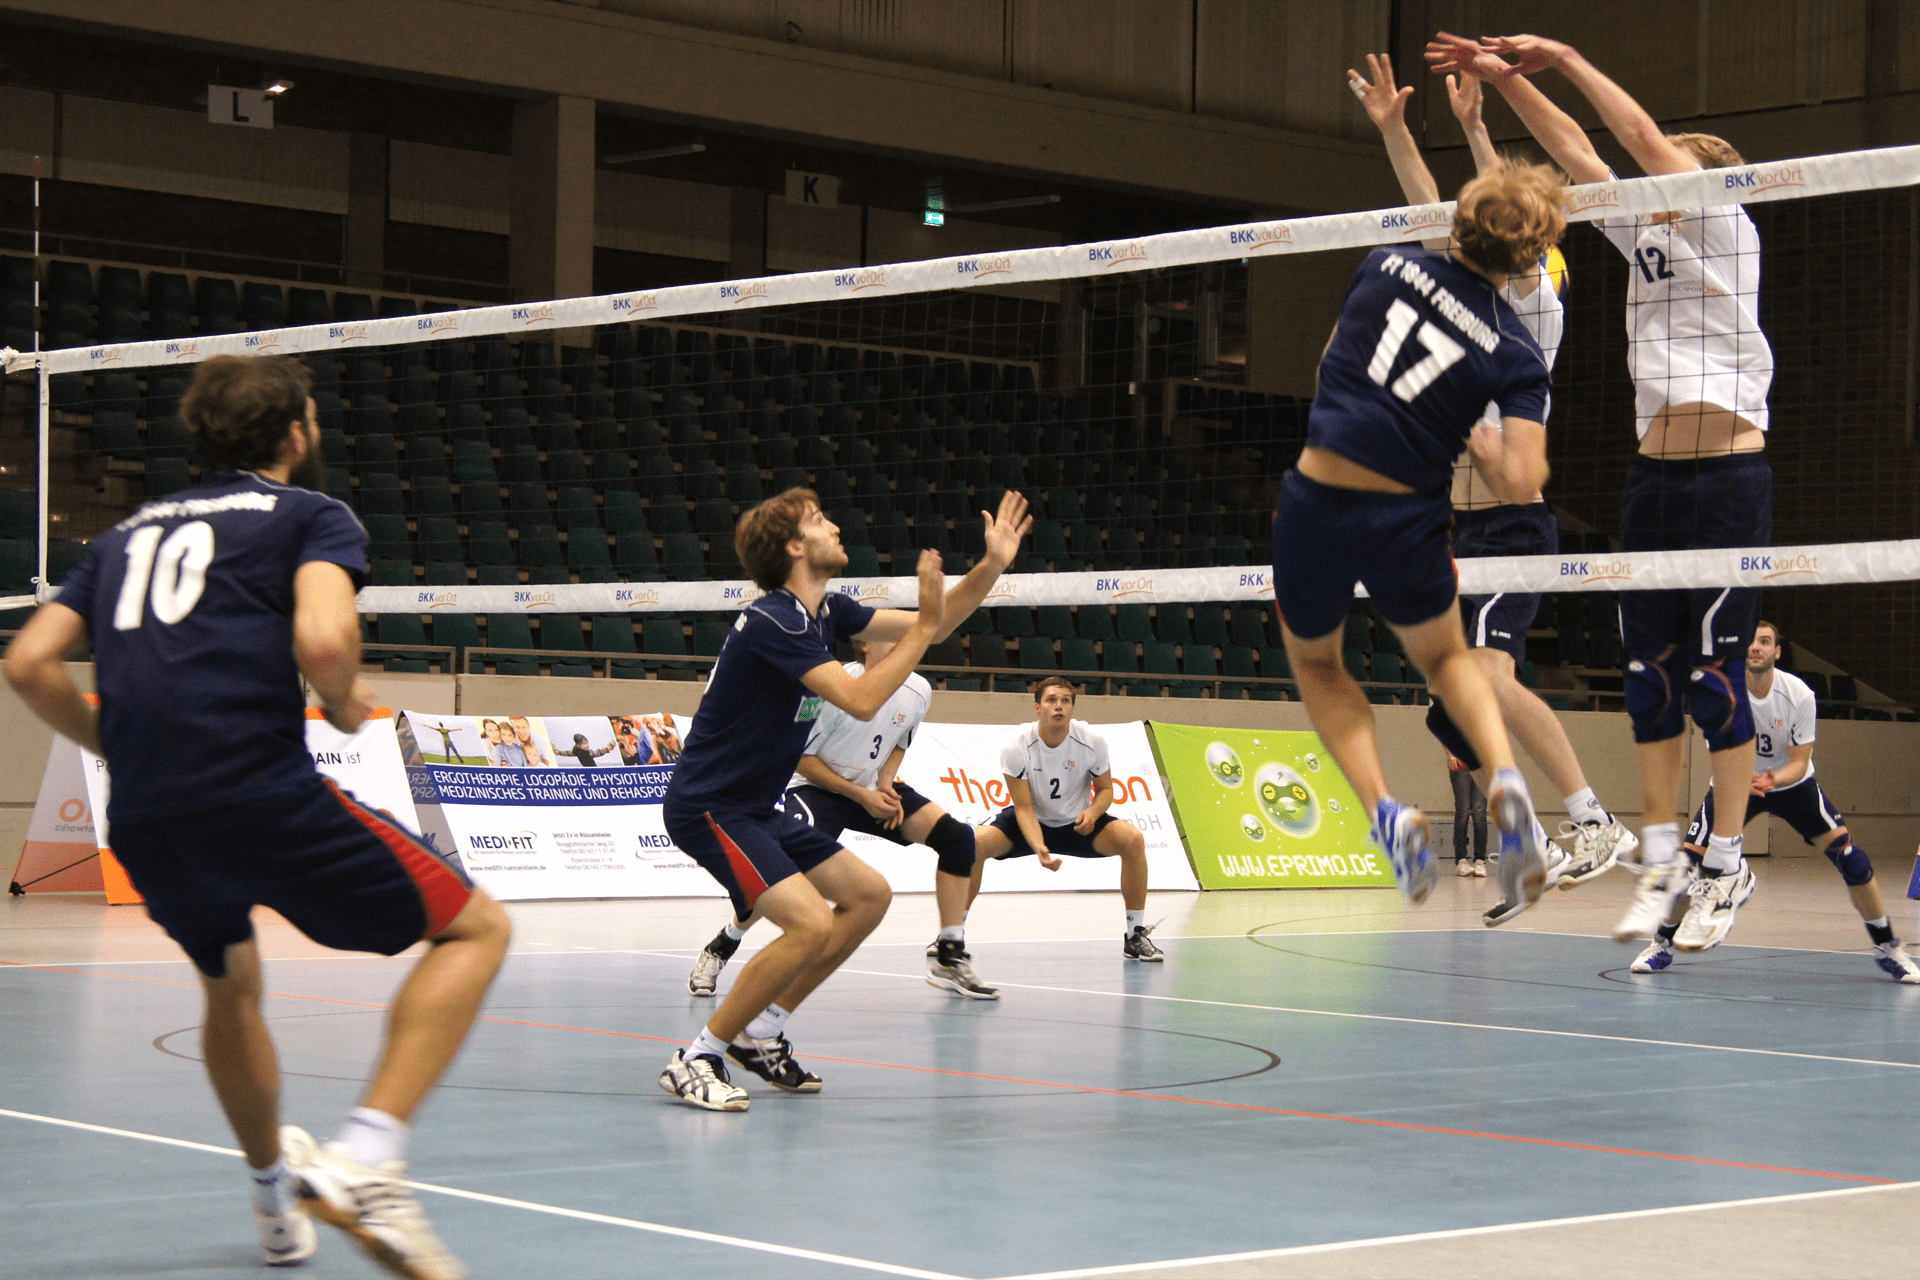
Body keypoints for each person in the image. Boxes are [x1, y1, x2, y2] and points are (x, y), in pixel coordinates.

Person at [2, 354, 511, 1280]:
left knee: (229, 986)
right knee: (477, 930)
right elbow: (322, 637)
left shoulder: (122, 536)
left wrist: (114, 744)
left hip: (149, 814)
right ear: (295, 435)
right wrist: (344, 696)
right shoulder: (312, 515)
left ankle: (276, 1203)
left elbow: (28, 663)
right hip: (255, 788)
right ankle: (367, 1154)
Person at [1428, 32, 1773, 948]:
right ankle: (1651, 856)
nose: (1637, 176)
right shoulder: (1642, 231)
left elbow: (1633, 134)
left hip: (1727, 473)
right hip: (1650, 477)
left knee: (1716, 687)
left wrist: (1567, 57)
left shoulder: (1725, 225)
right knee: (1652, 690)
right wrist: (1503, 85)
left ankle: (1727, 864)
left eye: (1663, 168)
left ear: (1701, 181)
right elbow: (1581, 155)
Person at [1350, 53, 1638, 922]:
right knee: (1450, 700)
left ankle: (1590, 819)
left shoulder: (1534, 306)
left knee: (1484, 676)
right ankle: (1539, 843)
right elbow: (1446, 214)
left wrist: (1479, 134)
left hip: (1512, 527)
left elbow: (1499, 215)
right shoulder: (1465, 292)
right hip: (1454, 530)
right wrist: (1402, 128)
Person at [657, 487, 1030, 1111]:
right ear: (795, 547)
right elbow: (859, 697)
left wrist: (989, 567)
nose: (835, 525)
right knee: (806, 921)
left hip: (757, 807)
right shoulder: (773, 618)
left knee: (867, 896)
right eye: (819, 519)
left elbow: (931, 627)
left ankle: (765, 1028)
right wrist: (924, 629)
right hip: (709, 806)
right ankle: (697, 1055)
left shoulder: (826, 611)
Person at [1269, 149, 1563, 918]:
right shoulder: (1518, 353)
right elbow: (1523, 483)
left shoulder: (1383, 265)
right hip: (1411, 513)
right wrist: (1482, 438)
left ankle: (1384, 811)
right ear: (1531, 254)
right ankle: (1504, 780)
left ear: (1460, 220)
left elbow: (1333, 357)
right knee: (1445, 656)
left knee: (1319, 664)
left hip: (1319, 495)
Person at [687, 636, 997, 1001]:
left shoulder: (919, 689)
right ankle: (724, 944)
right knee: (785, 871)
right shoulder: (829, 690)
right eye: (891, 638)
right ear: (865, 644)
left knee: (959, 839)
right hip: (817, 789)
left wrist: (883, 784)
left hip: (870, 788)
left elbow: (899, 741)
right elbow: (801, 758)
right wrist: (860, 795)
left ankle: (949, 955)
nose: (903, 646)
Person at [1634, 623, 1920, 978]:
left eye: (1765, 642)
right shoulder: (1722, 691)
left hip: (1789, 785)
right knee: (1689, 866)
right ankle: (1661, 944)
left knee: (1853, 860)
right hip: (1733, 784)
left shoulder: (1799, 694)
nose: (1756, 647)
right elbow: (1720, 752)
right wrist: (1742, 781)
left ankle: (1888, 947)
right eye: (1751, 642)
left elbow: (1799, 763)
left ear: (1777, 651)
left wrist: (1772, 779)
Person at [970, 677, 1160, 960]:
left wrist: (1093, 812)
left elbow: (1106, 789)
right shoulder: (1016, 746)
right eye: (1051, 700)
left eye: (1065, 701)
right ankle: (951, 937)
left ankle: (1135, 935)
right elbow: (1023, 808)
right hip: (1030, 823)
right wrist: (1038, 846)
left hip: (1078, 826)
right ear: (1037, 707)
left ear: (1072, 707)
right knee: (972, 843)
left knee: (1132, 839)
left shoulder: (1092, 741)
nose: (1058, 706)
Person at [1447, 751, 1488, 875]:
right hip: (1460, 765)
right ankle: (1461, 860)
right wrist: (1450, 755)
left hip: (1482, 767)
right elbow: (1447, 732)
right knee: (1463, 811)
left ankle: (1480, 860)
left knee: (1479, 812)